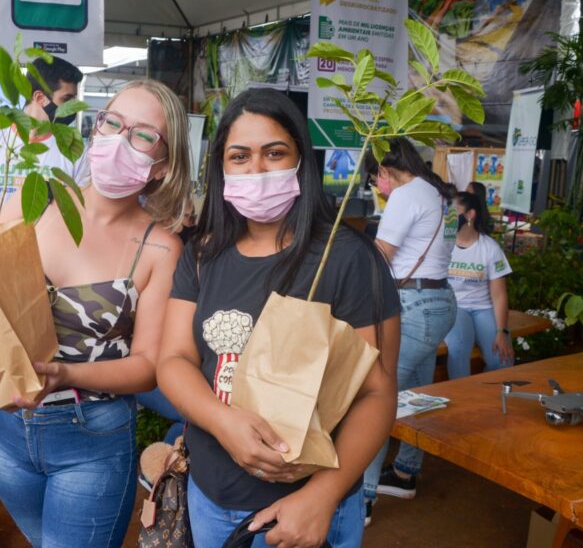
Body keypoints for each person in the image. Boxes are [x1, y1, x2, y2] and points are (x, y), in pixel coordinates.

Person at [156, 88, 400, 548]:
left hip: (306, 512)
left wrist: (323, 497)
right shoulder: (203, 255)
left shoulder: (346, 258)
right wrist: (222, 422)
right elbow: (173, 359)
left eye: (274, 153)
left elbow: (377, 392)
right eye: (239, 156)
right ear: (221, 168)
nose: (257, 169)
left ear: (302, 161)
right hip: (210, 498)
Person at [0, 78, 192, 547]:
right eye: (112, 123)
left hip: (91, 440)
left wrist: (66, 373)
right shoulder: (34, 204)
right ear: (94, 130)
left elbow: (146, 368)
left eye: (142, 135)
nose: (119, 140)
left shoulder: (160, 247)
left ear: (162, 166)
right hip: (5, 432)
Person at [362, 138, 458, 518]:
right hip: (440, 301)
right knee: (416, 396)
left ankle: (364, 497)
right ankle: (405, 473)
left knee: (377, 399)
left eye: (374, 180)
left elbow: (380, 255)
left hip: (414, 306)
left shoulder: (405, 195)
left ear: (384, 171)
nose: (377, 188)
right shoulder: (436, 191)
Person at [0, 56, 88, 221]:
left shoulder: (75, 149)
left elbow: (81, 208)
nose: (74, 107)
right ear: (40, 98)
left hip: (50, 245)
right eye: (67, 99)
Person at [445, 191, 514, 379]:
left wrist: (501, 331)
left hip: (483, 307)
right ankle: (462, 397)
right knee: (458, 348)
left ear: (470, 215)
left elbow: (499, 295)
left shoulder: (489, 248)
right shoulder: (443, 244)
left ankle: (490, 395)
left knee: (503, 358)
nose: (448, 216)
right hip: (454, 306)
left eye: (453, 211)